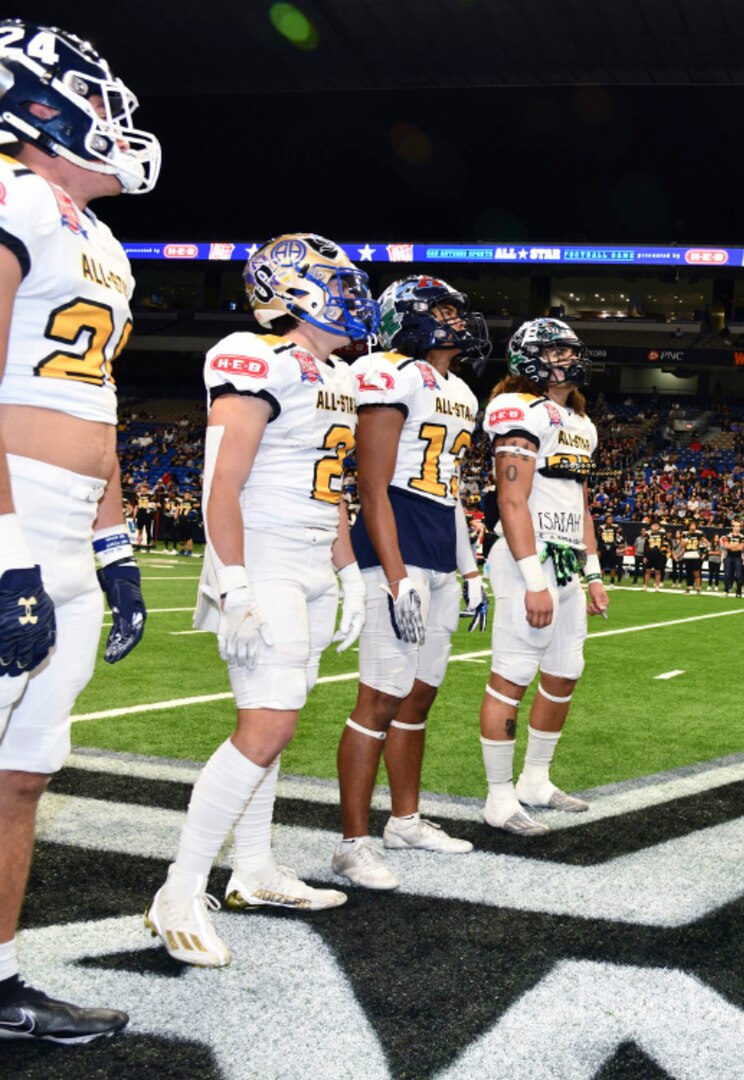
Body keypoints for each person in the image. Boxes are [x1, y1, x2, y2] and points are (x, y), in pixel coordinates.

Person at [147, 233, 376, 967]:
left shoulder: (335, 372)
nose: (348, 292)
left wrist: (348, 572)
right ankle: (179, 891)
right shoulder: (254, 355)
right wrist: (234, 581)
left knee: (275, 726)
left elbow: (333, 483)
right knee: (266, 728)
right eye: (331, 280)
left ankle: (253, 870)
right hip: (265, 559)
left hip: (310, 557)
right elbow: (223, 480)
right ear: (290, 288)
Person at [0, 19, 158, 1040]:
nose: (116, 121)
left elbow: (94, 403)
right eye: (96, 100)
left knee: (21, 775)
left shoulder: (98, 241)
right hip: (9, 514)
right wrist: (9, 552)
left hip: (60, 525)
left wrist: (111, 546)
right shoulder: (11, 194)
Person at [331, 276, 489, 890]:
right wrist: (396, 576)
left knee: (419, 695)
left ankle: (405, 819)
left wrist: (469, 568)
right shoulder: (385, 370)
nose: (456, 320)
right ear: (409, 318)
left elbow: (448, 489)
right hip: (391, 545)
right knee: (379, 696)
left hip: (438, 546)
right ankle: (351, 842)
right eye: (444, 310)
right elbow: (372, 484)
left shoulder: (462, 392)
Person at [478, 318, 609, 836]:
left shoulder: (580, 422)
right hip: (523, 558)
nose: (568, 360)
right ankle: (498, 798)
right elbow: (511, 498)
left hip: (565, 559)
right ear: (530, 358)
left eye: (570, 352)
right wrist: (532, 577)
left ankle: (535, 780)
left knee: (564, 672)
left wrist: (593, 571)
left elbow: (579, 501)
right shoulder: (517, 409)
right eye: (556, 352)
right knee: (511, 676)